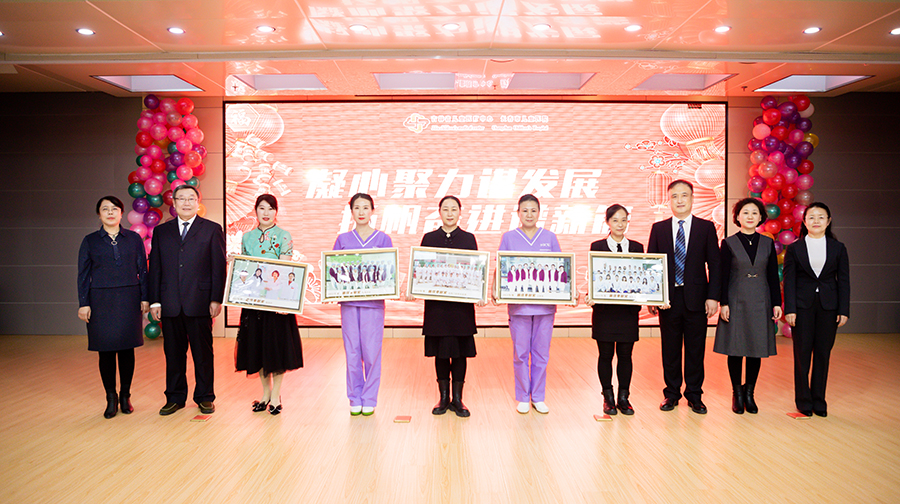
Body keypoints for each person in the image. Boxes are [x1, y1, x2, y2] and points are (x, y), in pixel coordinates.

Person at [149, 185, 226, 416]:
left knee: (203, 354)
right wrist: (155, 301)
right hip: (169, 302)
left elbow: (218, 267)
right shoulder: (162, 232)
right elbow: (156, 268)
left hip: (200, 301)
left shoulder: (212, 229)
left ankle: (205, 397)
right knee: (173, 354)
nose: (186, 203)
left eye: (191, 198)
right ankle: (174, 397)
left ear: (198, 202)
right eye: (181, 198)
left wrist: (216, 298)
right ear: (173, 203)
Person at [648, 180, 720, 414]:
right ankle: (671, 394)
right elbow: (652, 266)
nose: (679, 200)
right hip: (668, 299)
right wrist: (653, 297)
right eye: (675, 196)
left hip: (697, 298)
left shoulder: (705, 227)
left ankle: (695, 395)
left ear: (692, 198)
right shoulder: (658, 229)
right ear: (669, 200)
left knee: (695, 349)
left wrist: (713, 297)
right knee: (670, 349)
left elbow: (715, 265)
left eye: (684, 195)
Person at [77, 196, 149, 418]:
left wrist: (145, 297)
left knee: (127, 349)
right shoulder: (90, 241)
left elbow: (143, 270)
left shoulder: (133, 238)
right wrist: (84, 303)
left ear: (121, 213)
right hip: (100, 301)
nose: (110, 213)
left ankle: (125, 395)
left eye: (114, 209)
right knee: (105, 351)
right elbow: (83, 275)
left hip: (129, 298)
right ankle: (111, 397)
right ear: (99, 214)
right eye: (105, 209)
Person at [234, 194, 304, 415]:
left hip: (276, 303)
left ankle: (276, 396)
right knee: (258, 347)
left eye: (270, 208)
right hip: (254, 303)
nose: (266, 213)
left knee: (277, 349)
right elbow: (246, 270)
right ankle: (265, 393)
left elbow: (284, 270)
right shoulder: (247, 237)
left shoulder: (283, 236)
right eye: (262, 208)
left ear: (276, 211)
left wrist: (281, 300)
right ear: (255, 210)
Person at [497, 194, 566, 414]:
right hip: (519, 307)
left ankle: (537, 396)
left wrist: (569, 291)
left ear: (539, 213)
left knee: (541, 353)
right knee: (520, 353)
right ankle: (522, 396)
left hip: (545, 306)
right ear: (518, 213)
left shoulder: (550, 237)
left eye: (533, 210)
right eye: (525, 210)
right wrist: (495, 290)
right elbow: (501, 268)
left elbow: (562, 269)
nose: (529, 214)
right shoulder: (509, 237)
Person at [415, 196, 483, 417]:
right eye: (446, 209)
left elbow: (476, 271)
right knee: (441, 352)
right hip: (437, 307)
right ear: (439, 212)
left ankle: (458, 399)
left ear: (460, 212)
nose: (450, 213)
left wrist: (479, 292)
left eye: (454, 209)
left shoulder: (468, 239)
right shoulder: (429, 238)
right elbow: (420, 270)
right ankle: (443, 398)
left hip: (461, 307)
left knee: (460, 352)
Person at [713, 198, 782, 414]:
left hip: (761, 301)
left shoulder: (768, 243)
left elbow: (773, 276)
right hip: (736, 301)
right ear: (737, 217)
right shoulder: (728, 243)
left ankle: (750, 393)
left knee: (755, 348)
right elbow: (723, 276)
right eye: (745, 212)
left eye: (754, 213)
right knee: (735, 348)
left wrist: (777, 303)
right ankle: (737, 393)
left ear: (761, 217)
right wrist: (724, 303)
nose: (750, 216)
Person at [784, 202, 850, 417]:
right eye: (811, 217)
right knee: (802, 354)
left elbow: (844, 281)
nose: (816, 221)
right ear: (804, 222)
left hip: (829, 307)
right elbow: (789, 281)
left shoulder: (838, 248)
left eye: (821, 217)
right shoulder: (795, 248)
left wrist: (843, 310)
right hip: (802, 307)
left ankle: (819, 401)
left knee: (823, 353)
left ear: (828, 221)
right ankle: (803, 400)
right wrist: (790, 309)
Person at [334, 193, 393, 416]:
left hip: (373, 305)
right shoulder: (342, 240)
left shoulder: (383, 239)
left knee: (371, 352)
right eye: (357, 208)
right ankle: (354, 397)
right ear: (351, 211)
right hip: (349, 304)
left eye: (365, 207)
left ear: (372, 211)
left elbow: (389, 271)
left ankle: (369, 398)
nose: (361, 212)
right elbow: (334, 271)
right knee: (352, 352)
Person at [586, 204, 643, 416]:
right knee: (606, 354)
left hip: (628, 312)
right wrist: (590, 294)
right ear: (607, 222)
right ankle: (608, 398)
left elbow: (642, 278)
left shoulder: (637, 248)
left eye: (624, 220)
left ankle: (624, 398)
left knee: (626, 355)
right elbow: (594, 276)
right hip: (605, 312)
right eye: (615, 220)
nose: (620, 224)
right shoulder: (597, 246)